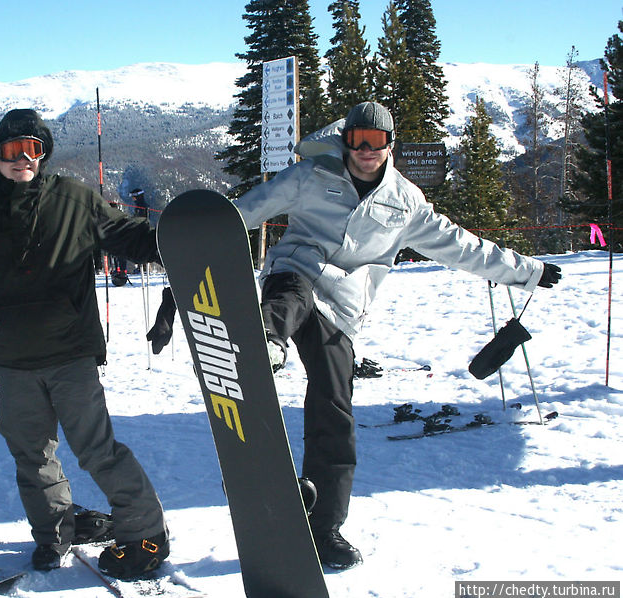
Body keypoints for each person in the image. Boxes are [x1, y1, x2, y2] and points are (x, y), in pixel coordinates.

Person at [232, 101, 561, 570]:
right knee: (288, 295)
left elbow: (462, 247)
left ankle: (323, 526)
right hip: (297, 273)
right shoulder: (309, 176)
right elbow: (249, 209)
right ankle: (264, 345)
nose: (367, 151)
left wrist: (525, 271)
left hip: (343, 306)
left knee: (335, 408)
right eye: (358, 140)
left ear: (391, 144)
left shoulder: (405, 202)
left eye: (377, 142)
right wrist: (198, 231)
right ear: (345, 140)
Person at [0, 109, 169, 579]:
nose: (22, 159)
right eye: (11, 151)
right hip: (12, 361)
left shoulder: (76, 200)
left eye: (32, 148)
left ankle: (144, 529)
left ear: (43, 153)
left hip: (70, 352)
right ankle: (53, 536)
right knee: (31, 455)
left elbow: (130, 238)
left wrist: (181, 239)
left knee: (96, 449)